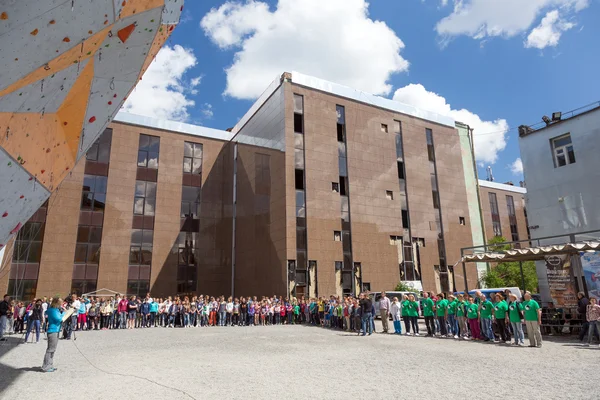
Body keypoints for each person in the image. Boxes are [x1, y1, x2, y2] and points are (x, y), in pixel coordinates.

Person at [42, 297, 64, 372]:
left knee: (53, 349)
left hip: (56, 330)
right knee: (50, 349)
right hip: (52, 331)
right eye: (60, 303)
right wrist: (64, 313)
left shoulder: (56, 310)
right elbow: (59, 319)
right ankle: (45, 366)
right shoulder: (52, 310)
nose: (61, 305)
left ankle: (50, 364)